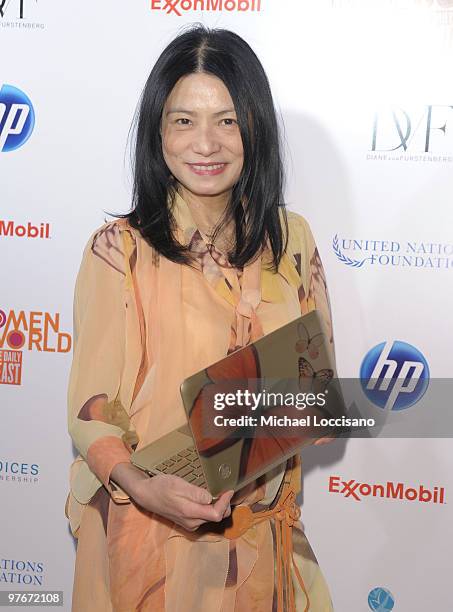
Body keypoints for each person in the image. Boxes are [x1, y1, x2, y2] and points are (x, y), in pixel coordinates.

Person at [66, 25, 335, 612]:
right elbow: (91, 413)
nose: (206, 143)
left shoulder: (292, 241)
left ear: (255, 128)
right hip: (146, 544)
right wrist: (142, 485)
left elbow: (317, 388)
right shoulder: (120, 251)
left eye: (228, 120)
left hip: (264, 544)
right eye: (184, 120)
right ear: (156, 132)